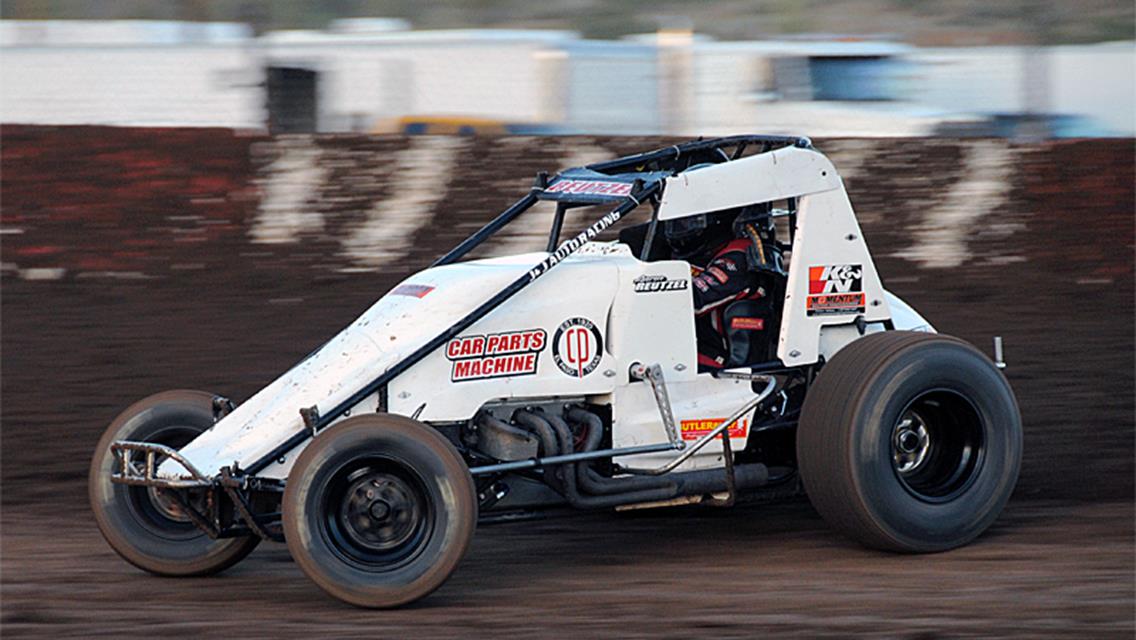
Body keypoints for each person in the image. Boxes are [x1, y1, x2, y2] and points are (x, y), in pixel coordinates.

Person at [664, 203, 783, 370]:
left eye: (690, 221)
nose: (680, 228)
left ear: (717, 220)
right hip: (689, 349)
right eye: (677, 222)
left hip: (717, 362)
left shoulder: (738, 259)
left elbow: (692, 301)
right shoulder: (704, 254)